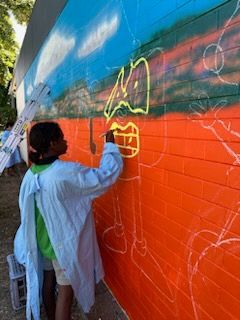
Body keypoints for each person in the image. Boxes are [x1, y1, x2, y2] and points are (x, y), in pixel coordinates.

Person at [14, 121, 123, 320]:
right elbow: (104, 177)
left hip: (42, 243)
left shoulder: (32, 173)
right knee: (66, 292)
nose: (66, 142)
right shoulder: (64, 173)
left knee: (48, 282)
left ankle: (50, 315)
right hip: (60, 247)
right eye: (61, 139)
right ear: (52, 144)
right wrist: (110, 148)